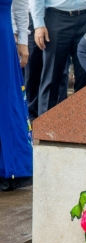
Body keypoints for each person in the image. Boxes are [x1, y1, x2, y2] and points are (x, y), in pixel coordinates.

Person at [31, 0, 86, 117]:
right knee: (52, 75)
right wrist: (39, 24)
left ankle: (83, 123)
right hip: (56, 17)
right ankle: (46, 127)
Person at [0, 0, 32, 191]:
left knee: (7, 102)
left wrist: (23, 41)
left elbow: (20, 4)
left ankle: (9, 166)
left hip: (3, 36)